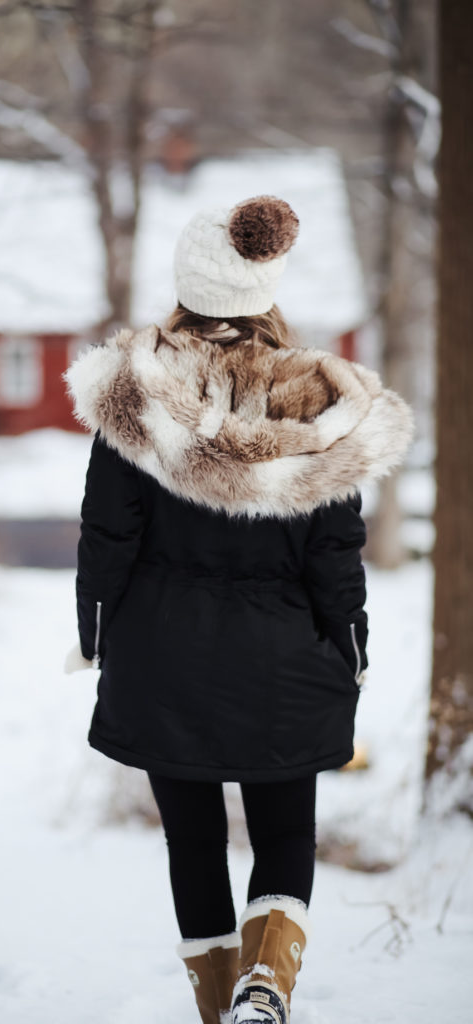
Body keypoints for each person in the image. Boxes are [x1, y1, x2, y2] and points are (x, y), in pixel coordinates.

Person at [64, 196, 413, 1024]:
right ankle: (268, 988)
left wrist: (96, 635)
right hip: (284, 655)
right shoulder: (315, 402)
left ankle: (222, 1011)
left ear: (185, 289)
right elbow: (336, 555)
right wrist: (347, 644)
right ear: (265, 290)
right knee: (285, 834)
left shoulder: (133, 397)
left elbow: (105, 535)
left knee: (192, 842)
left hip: (161, 653)